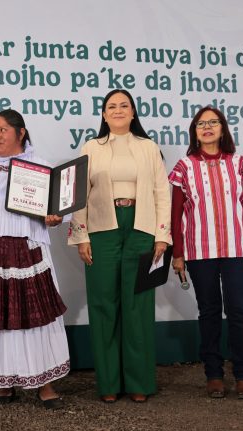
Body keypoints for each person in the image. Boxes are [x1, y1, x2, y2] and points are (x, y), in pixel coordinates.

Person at [0, 109, 69, 409]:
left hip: (25, 246)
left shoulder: (40, 165)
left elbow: (61, 207)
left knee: (34, 314)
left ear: (21, 133)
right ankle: (2, 382)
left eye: (3, 129)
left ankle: (45, 385)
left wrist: (56, 216)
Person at [68, 89, 171, 403]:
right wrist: (81, 236)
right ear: (103, 114)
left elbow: (161, 191)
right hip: (102, 230)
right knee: (104, 305)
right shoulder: (91, 147)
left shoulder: (148, 147)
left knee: (138, 305)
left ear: (133, 112)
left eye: (124, 105)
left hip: (141, 228)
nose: (118, 110)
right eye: (111, 106)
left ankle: (139, 382)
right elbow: (78, 193)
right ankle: (109, 384)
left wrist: (162, 236)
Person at [168, 106, 243, 399]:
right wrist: (177, 253)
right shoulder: (184, 167)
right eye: (201, 124)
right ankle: (214, 375)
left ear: (222, 129)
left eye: (213, 122)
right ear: (194, 132)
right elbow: (175, 214)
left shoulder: (238, 163)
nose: (207, 127)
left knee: (238, 310)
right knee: (208, 312)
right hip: (199, 250)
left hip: (237, 248)